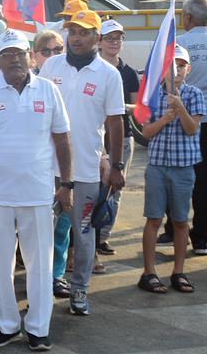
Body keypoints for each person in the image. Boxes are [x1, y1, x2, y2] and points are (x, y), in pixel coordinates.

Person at [0, 29, 72, 350]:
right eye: (7, 54)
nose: (14, 59)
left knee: (40, 263)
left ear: (30, 56)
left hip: (39, 193)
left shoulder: (49, 90)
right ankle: (7, 325)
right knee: (0, 263)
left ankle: (38, 328)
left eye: (19, 53)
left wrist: (66, 183)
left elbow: (63, 139)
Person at [39, 9, 125, 315]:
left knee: (84, 232)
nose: (76, 38)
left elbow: (115, 124)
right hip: (45, 169)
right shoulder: (51, 65)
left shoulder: (108, 74)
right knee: (41, 234)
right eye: (72, 32)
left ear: (97, 38)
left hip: (86, 170)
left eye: (84, 32)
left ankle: (79, 291)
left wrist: (116, 165)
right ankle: (41, 290)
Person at [138, 45, 202, 295]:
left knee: (180, 220)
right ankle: (149, 271)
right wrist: (164, 118)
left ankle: (178, 271)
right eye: (171, 64)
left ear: (188, 69)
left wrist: (180, 107)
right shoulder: (153, 95)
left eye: (181, 65)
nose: (176, 69)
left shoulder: (195, 94)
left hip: (183, 168)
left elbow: (191, 129)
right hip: (157, 167)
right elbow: (145, 133)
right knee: (153, 218)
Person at [95, 21, 138, 258]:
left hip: (123, 137)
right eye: (109, 38)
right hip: (97, 137)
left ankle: (103, 237)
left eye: (118, 38)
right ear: (99, 42)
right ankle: (88, 237)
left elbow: (138, 109)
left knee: (115, 189)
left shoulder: (128, 72)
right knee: (95, 188)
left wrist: (115, 106)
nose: (114, 42)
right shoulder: (93, 68)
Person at [174, 0, 207, 255]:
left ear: (187, 17)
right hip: (201, 122)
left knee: (178, 177)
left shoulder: (179, 45)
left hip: (183, 122)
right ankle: (201, 238)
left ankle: (175, 231)